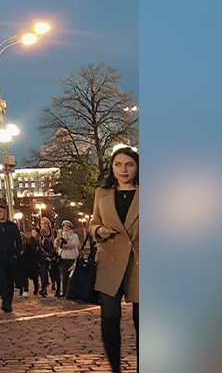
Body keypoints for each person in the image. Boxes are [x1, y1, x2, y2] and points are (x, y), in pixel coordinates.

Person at [89, 147, 139, 373]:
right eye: (118, 164)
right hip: (110, 260)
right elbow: (93, 222)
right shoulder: (102, 193)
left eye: (129, 164)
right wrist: (98, 230)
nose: (123, 170)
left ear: (137, 166)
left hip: (140, 263)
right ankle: (115, 367)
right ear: (112, 167)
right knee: (109, 317)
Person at [0, 203, 22, 313]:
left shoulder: (12, 226)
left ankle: (9, 302)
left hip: (10, 256)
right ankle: (5, 301)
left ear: (5, 212)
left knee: (10, 279)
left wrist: (16, 253)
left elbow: (18, 241)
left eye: (0, 212)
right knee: (2, 278)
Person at [55, 220, 81, 298]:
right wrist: (58, 242)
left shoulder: (74, 236)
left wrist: (66, 243)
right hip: (63, 258)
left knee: (72, 277)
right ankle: (65, 292)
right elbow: (57, 244)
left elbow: (74, 244)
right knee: (64, 276)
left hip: (72, 258)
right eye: (64, 226)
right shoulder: (60, 235)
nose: (65, 228)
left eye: (67, 227)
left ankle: (72, 293)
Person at [37, 217, 58, 296]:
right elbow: (39, 245)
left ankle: (55, 284)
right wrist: (46, 255)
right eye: (42, 224)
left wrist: (52, 254)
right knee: (43, 272)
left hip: (53, 254)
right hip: (43, 255)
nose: (44, 225)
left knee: (54, 271)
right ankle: (44, 288)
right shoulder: (40, 234)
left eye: (45, 223)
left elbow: (56, 243)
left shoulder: (54, 233)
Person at [18, 229, 41, 297]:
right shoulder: (24, 243)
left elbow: (36, 252)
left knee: (35, 277)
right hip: (24, 262)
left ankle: (36, 288)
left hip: (33, 262)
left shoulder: (33, 242)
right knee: (24, 277)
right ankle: (24, 290)